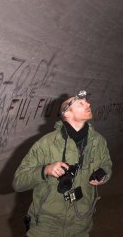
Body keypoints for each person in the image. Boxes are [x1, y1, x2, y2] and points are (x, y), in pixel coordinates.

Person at [13, 91, 112, 236]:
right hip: (47, 224)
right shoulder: (46, 144)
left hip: (81, 223)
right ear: (67, 113)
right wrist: (45, 170)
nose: (88, 104)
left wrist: (104, 174)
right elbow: (18, 182)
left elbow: (107, 164)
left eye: (87, 101)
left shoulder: (98, 141)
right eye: (81, 103)